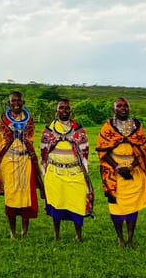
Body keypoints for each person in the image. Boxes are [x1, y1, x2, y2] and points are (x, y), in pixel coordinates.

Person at [97, 97, 146, 247]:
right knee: (116, 205)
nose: (123, 108)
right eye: (119, 106)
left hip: (133, 170)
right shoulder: (107, 127)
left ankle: (130, 238)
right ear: (113, 109)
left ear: (129, 108)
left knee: (133, 206)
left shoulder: (137, 126)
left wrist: (131, 167)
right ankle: (120, 238)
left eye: (125, 105)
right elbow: (103, 151)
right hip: (113, 173)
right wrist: (117, 167)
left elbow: (143, 150)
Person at [0, 91, 44, 239]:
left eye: (18, 100)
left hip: (25, 160)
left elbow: (30, 139)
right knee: (11, 196)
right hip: (8, 160)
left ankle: (24, 232)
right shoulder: (2, 120)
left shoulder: (29, 119)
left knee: (26, 196)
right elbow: (0, 141)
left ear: (23, 102)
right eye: (13, 101)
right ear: (9, 103)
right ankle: (12, 232)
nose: (16, 103)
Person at [40, 98, 93, 242]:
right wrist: (45, 172)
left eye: (67, 108)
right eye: (61, 108)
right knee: (56, 204)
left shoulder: (79, 131)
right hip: (55, 173)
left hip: (75, 172)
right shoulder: (48, 131)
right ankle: (56, 234)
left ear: (70, 110)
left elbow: (85, 153)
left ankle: (79, 235)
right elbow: (43, 154)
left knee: (77, 204)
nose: (64, 110)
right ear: (56, 110)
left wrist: (84, 172)